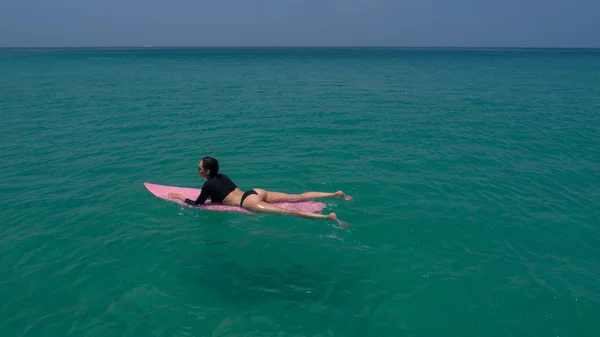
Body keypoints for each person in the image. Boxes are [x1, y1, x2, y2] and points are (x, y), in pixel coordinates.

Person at [167, 156, 351, 227]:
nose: (197, 170)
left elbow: (198, 204)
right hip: (254, 192)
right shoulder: (222, 176)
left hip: (247, 203)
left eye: (198, 168)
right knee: (296, 197)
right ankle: (335, 194)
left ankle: (327, 218)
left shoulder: (207, 185)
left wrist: (180, 197)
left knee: (289, 212)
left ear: (206, 173)